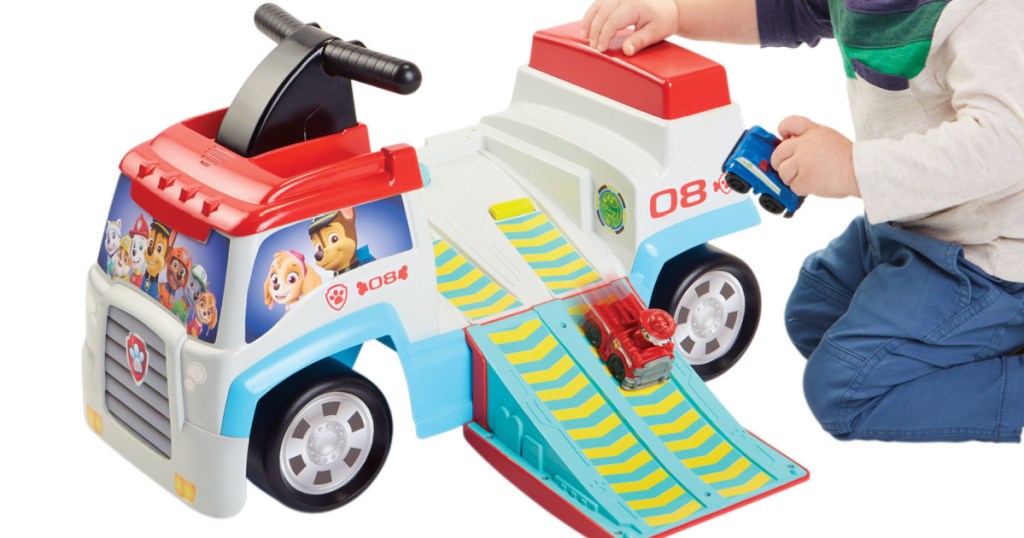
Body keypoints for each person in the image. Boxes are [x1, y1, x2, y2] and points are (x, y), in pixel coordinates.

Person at [582, 0, 1024, 442]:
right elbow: (785, 8)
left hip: (985, 256)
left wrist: (852, 167)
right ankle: (956, 337)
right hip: (908, 223)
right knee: (813, 314)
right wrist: (678, 13)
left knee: (843, 393)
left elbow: (1008, 143)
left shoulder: (987, 13)